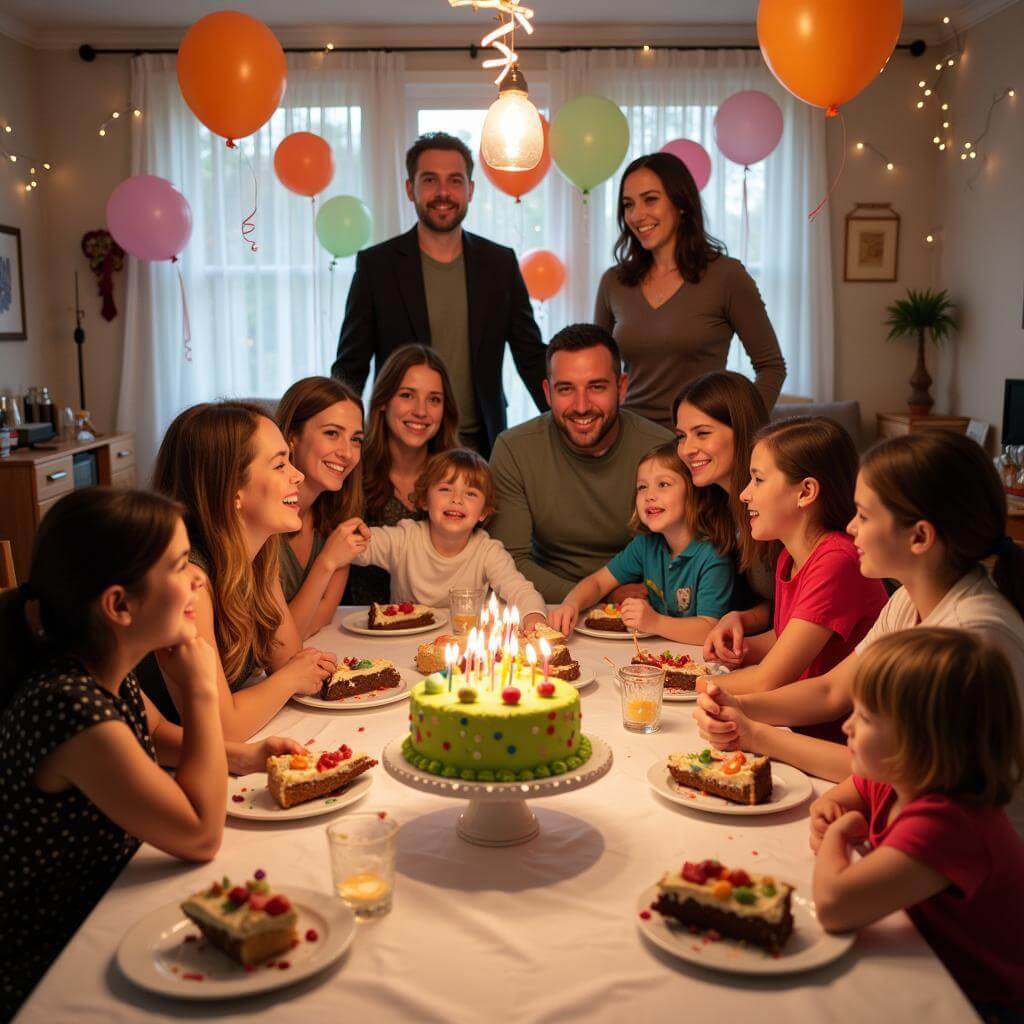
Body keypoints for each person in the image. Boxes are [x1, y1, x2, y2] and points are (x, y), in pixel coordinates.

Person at [0, 489, 304, 1017]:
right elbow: (199, 833)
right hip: (60, 964)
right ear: (119, 605)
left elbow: (159, 733)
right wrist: (203, 694)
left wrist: (242, 757)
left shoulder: (97, 665)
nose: (199, 580)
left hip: (115, 903)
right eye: (181, 566)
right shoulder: (70, 709)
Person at [693, 430, 1024, 836]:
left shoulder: (973, 636)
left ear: (920, 537)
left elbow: (889, 770)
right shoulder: (907, 600)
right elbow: (832, 689)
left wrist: (756, 733)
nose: (850, 528)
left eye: (864, 516)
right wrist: (738, 705)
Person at [810, 629, 1024, 1019]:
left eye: (866, 717)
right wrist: (830, 808)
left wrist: (837, 834)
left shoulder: (949, 823)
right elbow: (846, 794)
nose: (847, 727)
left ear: (924, 740)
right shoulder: (896, 777)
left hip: (977, 1001)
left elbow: (833, 905)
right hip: (925, 959)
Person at [331, 131, 548, 456]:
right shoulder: (377, 266)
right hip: (401, 446)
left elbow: (531, 357)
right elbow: (351, 367)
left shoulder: (499, 264)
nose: (443, 192)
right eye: (430, 180)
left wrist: (567, 424)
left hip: (481, 446)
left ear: (470, 190)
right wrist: (341, 439)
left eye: (455, 181)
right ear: (410, 188)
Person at [139, 402, 338, 740]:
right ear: (233, 490)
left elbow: (288, 658)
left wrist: (295, 673)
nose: (298, 475)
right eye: (279, 465)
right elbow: (220, 728)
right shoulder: (188, 583)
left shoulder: (257, 556)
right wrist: (290, 678)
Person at [700, 417, 888, 742]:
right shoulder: (789, 555)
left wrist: (680, 679)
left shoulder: (837, 561)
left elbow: (766, 682)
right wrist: (742, 647)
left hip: (836, 742)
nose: (744, 494)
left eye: (758, 480)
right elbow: (789, 638)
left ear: (806, 492)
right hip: (791, 725)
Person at [595, 152, 786, 431]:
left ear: (681, 203)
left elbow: (771, 367)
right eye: (628, 204)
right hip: (629, 443)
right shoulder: (614, 282)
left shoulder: (727, 276)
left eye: (650, 199)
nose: (636, 215)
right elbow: (599, 372)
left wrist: (737, 430)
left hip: (698, 449)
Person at [488, 323, 673, 603]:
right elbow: (508, 562)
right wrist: (600, 594)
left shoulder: (662, 449)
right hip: (545, 606)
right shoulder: (513, 449)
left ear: (622, 388)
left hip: (642, 607)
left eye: (596, 387)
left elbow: (682, 553)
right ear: (548, 393)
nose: (582, 405)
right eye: (566, 389)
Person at [549, 441, 733, 642]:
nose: (649, 496)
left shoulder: (713, 556)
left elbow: (709, 629)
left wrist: (655, 622)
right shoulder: (645, 546)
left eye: (663, 484)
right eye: (642, 487)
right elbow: (598, 583)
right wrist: (570, 604)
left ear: (696, 494)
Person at [351, 448, 547, 627]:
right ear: (424, 500)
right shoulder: (404, 539)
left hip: (462, 645)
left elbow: (522, 592)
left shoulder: (488, 551)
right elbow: (354, 546)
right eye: (445, 489)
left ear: (483, 512)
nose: (457, 499)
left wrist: (534, 620)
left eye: (470, 493)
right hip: (400, 643)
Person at [344, 345, 460, 606]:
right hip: (360, 628)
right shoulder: (351, 471)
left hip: (444, 629)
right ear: (383, 401)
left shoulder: (462, 476)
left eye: (434, 399)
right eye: (407, 395)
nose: (421, 411)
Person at [673, 370, 775, 620]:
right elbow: (772, 606)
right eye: (681, 436)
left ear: (741, 430)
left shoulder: (777, 502)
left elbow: (801, 604)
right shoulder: (715, 507)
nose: (686, 450)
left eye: (702, 433)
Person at [277, 376, 369, 639]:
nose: (348, 453)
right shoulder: (264, 515)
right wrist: (327, 561)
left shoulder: (337, 514)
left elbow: (324, 614)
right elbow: (280, 643)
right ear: (292, 437)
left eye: (356, 439)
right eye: (332, 433)